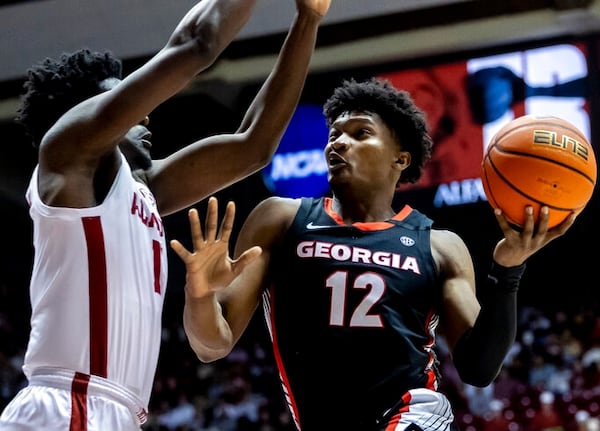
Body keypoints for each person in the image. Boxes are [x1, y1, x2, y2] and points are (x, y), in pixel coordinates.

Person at [170, 77, 576, 431]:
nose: (339, 142)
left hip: (415, 414)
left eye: (360, 133)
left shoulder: (439, 246)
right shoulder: (279, 218)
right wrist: (199, 293)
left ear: (400, 159)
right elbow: (211, 345)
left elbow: (479, 368)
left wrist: (508, 269)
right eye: (334, 135)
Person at [0, 0, 331, 429]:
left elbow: (255, 146)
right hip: (69, 402)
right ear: (87, 114)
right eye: (120, 97)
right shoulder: (66, 155)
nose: (145, 112)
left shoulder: (143, 189)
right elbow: (196, 42)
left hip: (117, 411)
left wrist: (308, 20)